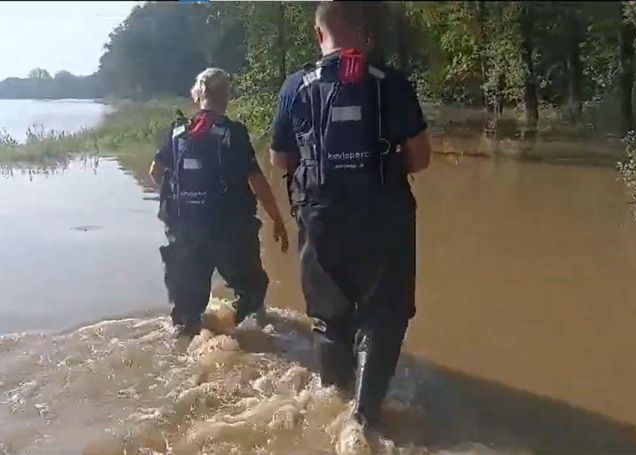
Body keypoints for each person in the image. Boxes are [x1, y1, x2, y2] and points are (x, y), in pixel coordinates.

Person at [269, 1, 431, 447]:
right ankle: (362, 418)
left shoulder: (296, 86)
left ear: (319, 34)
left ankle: (331, 404)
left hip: (320, 217)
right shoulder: (390, 82)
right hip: (384, 216)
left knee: (328, 318)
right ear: (361, 31)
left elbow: (279, 158)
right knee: (385, 314)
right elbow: (420, 158)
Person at [150, 67, 288, 338]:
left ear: (197, 95)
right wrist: (278, 219)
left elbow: (155, 171)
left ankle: (188, 345)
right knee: (252, 289)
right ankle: (242, 334)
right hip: (229, 231)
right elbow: (257, 181)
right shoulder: (233, 133)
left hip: (185, 231)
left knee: (186, 311)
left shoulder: (178, 131)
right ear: (226, 95)